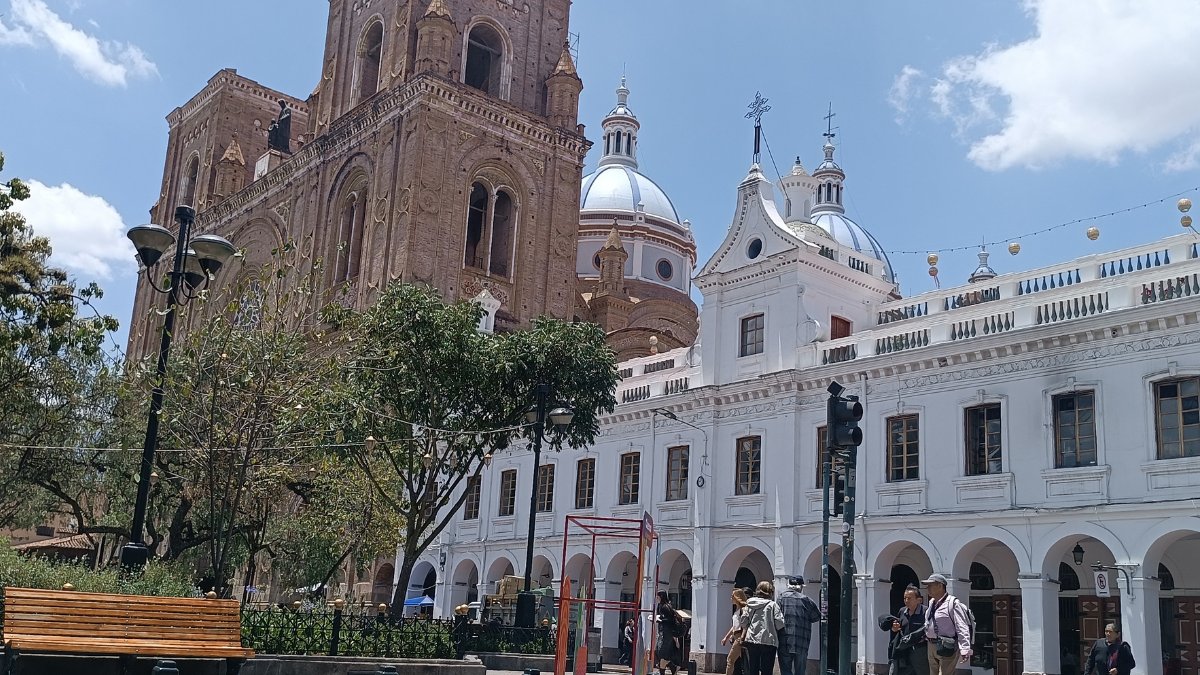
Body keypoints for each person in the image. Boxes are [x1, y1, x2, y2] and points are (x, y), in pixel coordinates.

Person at [922, 574, 972, 675]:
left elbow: (962, 627)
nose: (928, 588)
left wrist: (965, 649)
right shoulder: (932, 603)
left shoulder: (953, 603)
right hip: (931, 645)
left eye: (930, 585)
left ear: (940, 586)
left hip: (947, 645)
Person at [739, 581, 786, 675]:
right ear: (770, 591)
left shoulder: (750, 604)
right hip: (769, 640)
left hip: (752, 640)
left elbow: (743, 622)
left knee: (753, 668)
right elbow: (780, 623)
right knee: (767, 669)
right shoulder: (772, 605)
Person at [880, 585, 929, 675]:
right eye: (905, 598)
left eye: (909, 598)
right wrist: (894, 628)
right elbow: (898, 628)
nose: (906, 601)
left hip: (920, 652)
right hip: (904, 652)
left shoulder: (926, 612)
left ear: (919, 600)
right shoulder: (902, 611)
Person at [778, 576, 821, 675]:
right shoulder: (806, 600)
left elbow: (776, 616)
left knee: (785, 669)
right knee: (800, 670)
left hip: (784, 639)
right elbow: (817, 617)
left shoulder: (781, 598)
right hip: (802, 640)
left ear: (789, 586)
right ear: (801, 587)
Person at [722, 588, 750, 675]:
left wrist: (741, 637)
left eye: (732, 597)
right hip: (737, 636)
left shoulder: (743, 610)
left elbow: (744, 625)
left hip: (740, 637)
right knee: (744, 661)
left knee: (730, 659)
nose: (731, 599)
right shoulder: (737, 611)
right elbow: (734, 627)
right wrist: (726, 637)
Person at [656, 591, 685, 675]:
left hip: (667, 634)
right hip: (665, 634)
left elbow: (669, 620)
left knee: (662, 653)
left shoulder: (665, 607)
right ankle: (673, 667)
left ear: (661, 597)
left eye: (658, 597)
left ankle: (669, 669)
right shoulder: (663, 606)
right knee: (661, 653)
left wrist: (659, 620)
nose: (657, 599)